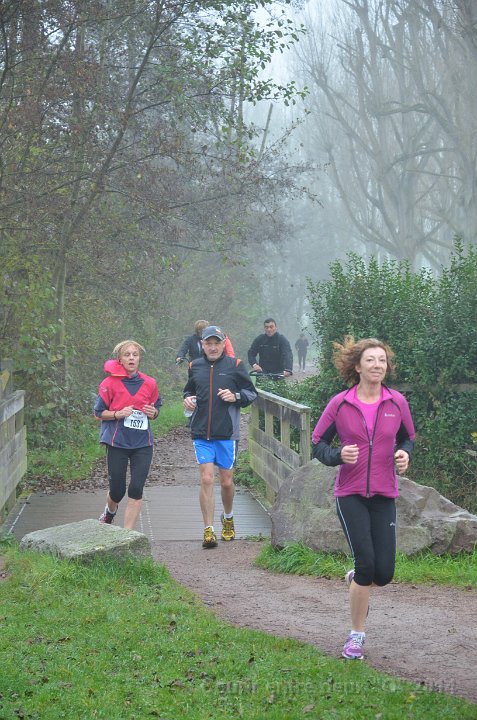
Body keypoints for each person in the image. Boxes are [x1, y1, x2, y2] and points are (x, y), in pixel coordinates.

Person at [311, 336, 415, 661]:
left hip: (384, 494)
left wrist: (404, 454)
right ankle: (356, 636)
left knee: (383, 574)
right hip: (350, 494)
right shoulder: (340, 403)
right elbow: (317, 443)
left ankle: (357, 580)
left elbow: (408, 438)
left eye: (382, 360)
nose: (377, 365)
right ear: (357, 366)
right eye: (370, 359)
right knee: (366, 564)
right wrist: (338, 455)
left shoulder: (396, 402)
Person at [183, 325, 257, 548]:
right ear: (202, 345)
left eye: (217, 343)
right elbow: (189, 390)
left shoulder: (235, 365)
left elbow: (251, 393)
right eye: (209, 343)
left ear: (224, 344)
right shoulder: (194, 366)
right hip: (201, 432)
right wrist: (187, 399)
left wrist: (235, 396)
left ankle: (228, 517)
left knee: (226, 481)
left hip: (226, 432)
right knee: (207, 478)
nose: (213, 347)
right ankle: (208, 529)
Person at [94, 340, 162, 530]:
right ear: (120, 359)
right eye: (127, 355)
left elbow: (156, 407)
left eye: (135, 354)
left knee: (136, 489)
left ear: (139, 358)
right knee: (117, 491)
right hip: (117, 443)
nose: (131, 358)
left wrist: (154, 413)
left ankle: (127, 536)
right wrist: (118, 414)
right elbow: (98, 413)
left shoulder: (150, 383)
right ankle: (110, 512)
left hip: (143, 443)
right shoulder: (109, 383)